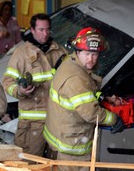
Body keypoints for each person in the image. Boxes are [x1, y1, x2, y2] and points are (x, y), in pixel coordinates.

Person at [43, 27, 124, 171]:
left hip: (64, 138)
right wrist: (114, 119)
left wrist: (100, 97)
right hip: (73, 149)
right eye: (87, 54)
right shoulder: (76, 79)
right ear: (78, 51)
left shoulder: (70, 62)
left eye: (94, 54)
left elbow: (82, 96)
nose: (91, 59)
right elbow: (91, 113)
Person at [2, 13, 67, 156]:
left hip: (56, 120)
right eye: (41, 30)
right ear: (32, 30)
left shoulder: (59, 52)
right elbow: (7, 82)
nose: (45, 33)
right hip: (32, 123)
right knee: (29, 163)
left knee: (55, 164)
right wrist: (20, 91)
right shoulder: (21, 54)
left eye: (48, 29)